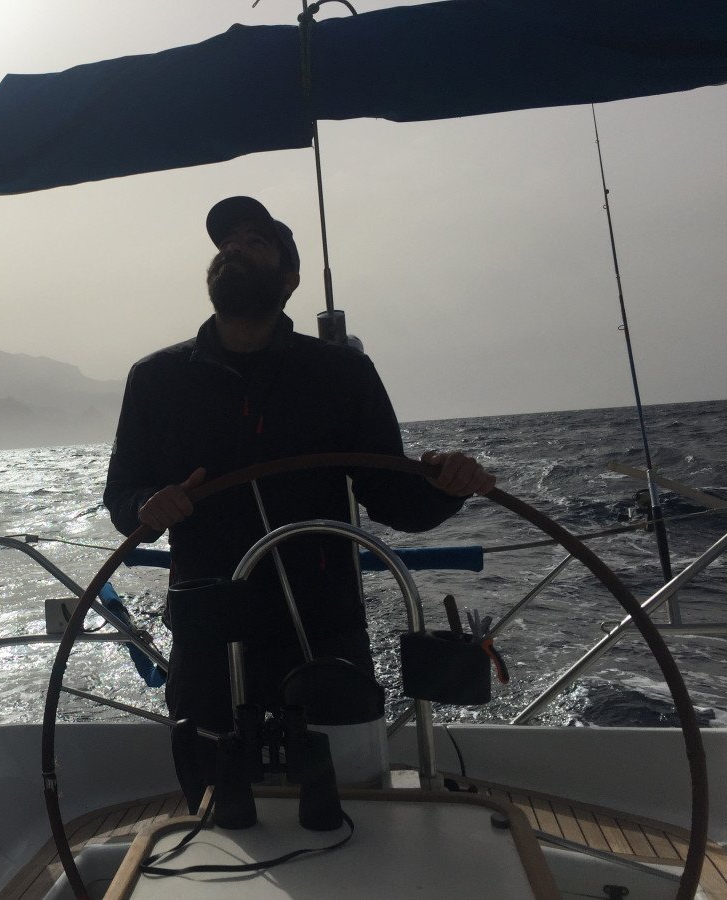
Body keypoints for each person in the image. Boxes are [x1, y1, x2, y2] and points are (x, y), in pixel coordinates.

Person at [103, 196, 495, 809]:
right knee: (217, 805)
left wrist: (445, 487)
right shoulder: (155, 379)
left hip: (322, 625)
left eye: (255, 241)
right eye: (226, 242)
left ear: (290, 279)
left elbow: (394, 499)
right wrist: (148, 505)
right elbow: (122, 496)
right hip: (209, 631)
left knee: (344, 803)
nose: (234, 247)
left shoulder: (342, 374)